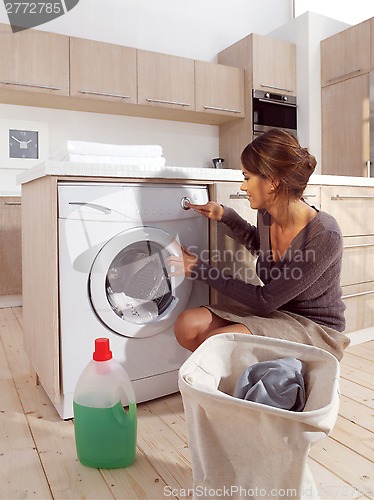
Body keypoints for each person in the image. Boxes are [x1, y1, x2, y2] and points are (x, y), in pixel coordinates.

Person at [169, 128, 350, 361]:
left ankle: (243, 388)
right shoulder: (266, 214)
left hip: (316, 328)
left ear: (272, 182)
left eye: (247, 177)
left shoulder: (324, 234)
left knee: (223, 342)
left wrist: (197, 268)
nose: (243, 187)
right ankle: (246, 378)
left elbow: (265, 300)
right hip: (278, 312)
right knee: (188, 325)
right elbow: (260, 245)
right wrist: (227, 215)